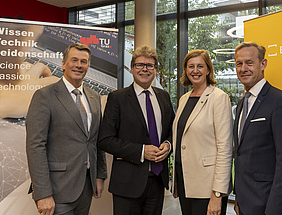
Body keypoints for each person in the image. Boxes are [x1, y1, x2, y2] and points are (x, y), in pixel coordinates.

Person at [26, 43, 107, 215]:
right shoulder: (44, 96)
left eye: (84, 62)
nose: (79, 65)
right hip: (57, 190)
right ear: (63, 64)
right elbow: (35, 147)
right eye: (74, 60)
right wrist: (43, 193)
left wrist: (99, 175)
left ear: (88, 66)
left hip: (86, 187)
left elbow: (95, 141)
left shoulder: (94, 97)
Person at [99, 45, 175, 215]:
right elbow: (105, 140)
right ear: (132, 68)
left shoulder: (163, 97)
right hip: (127, 185)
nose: (145, 69)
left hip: (157, 181)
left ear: (156, 70)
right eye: (140, 65)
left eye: (150, 65)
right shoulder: (117, 98)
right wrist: (141, 151)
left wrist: (169, 145)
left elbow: (173, 129)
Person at [233, 42, 282, 215]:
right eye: (239, 63)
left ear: (263, 64)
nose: (243, 68)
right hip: (245, 203)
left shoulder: (281, 101)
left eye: (249, 62)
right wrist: (238, 200)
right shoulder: (242, 103)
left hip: (269, 205)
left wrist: (275, 210)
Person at [171, 49, 232, 215]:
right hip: (185, 182)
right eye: (191, 66)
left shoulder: (219, 98)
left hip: (208, 186)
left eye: (200, 66)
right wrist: (176, 180)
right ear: (185, 70)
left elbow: (225, 148)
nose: (195, 71)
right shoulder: (184, 99)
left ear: (208, 70)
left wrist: (217, 193)